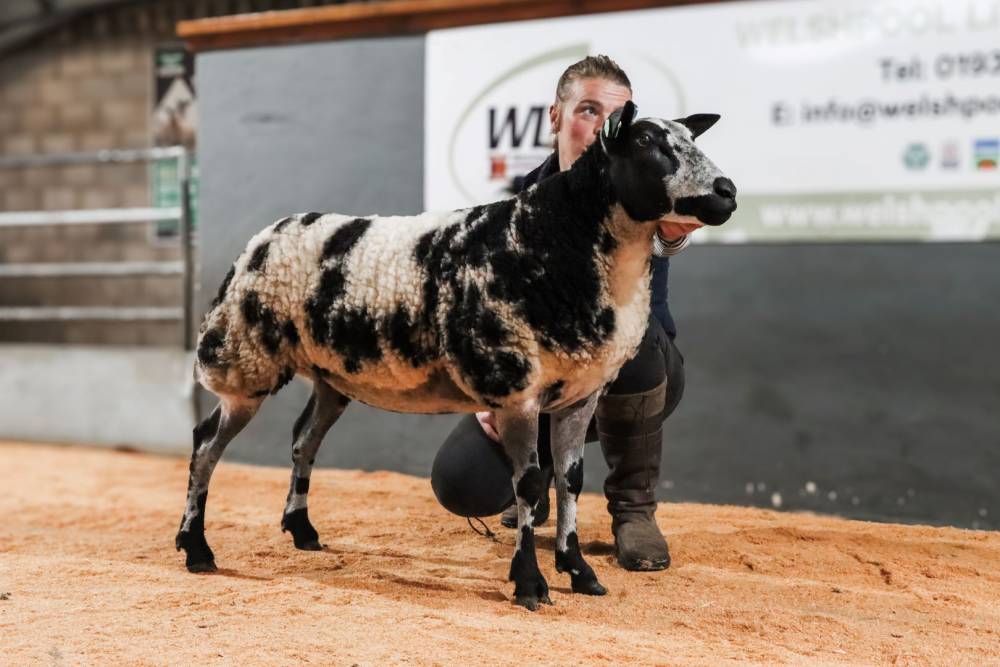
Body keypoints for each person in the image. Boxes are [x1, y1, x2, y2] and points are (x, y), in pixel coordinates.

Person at [431, 55, 693, 571]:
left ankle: (634, 511)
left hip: (640, 372)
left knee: (623, 330)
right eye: (588, 110)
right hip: (550, 378)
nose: (601, 128)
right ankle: (538, 478)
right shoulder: (525, 198)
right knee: (460, 480)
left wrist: (671, 235)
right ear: (555, 116)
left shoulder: (642, 191)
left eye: (616, 118)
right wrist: (490, 396)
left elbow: (661, 245)